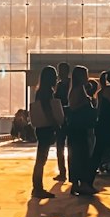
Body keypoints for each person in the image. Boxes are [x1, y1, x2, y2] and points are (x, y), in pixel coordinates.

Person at [29, 66, 64, 197]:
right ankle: (37, 188)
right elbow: (48, 109)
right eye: (54, 76)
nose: (56, 78)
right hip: (46, 127)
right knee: (41, 158)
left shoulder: (40, 91)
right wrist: (55, 123)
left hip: (41, 128)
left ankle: (37, 187)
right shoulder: (47, 91)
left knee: (41, 158)